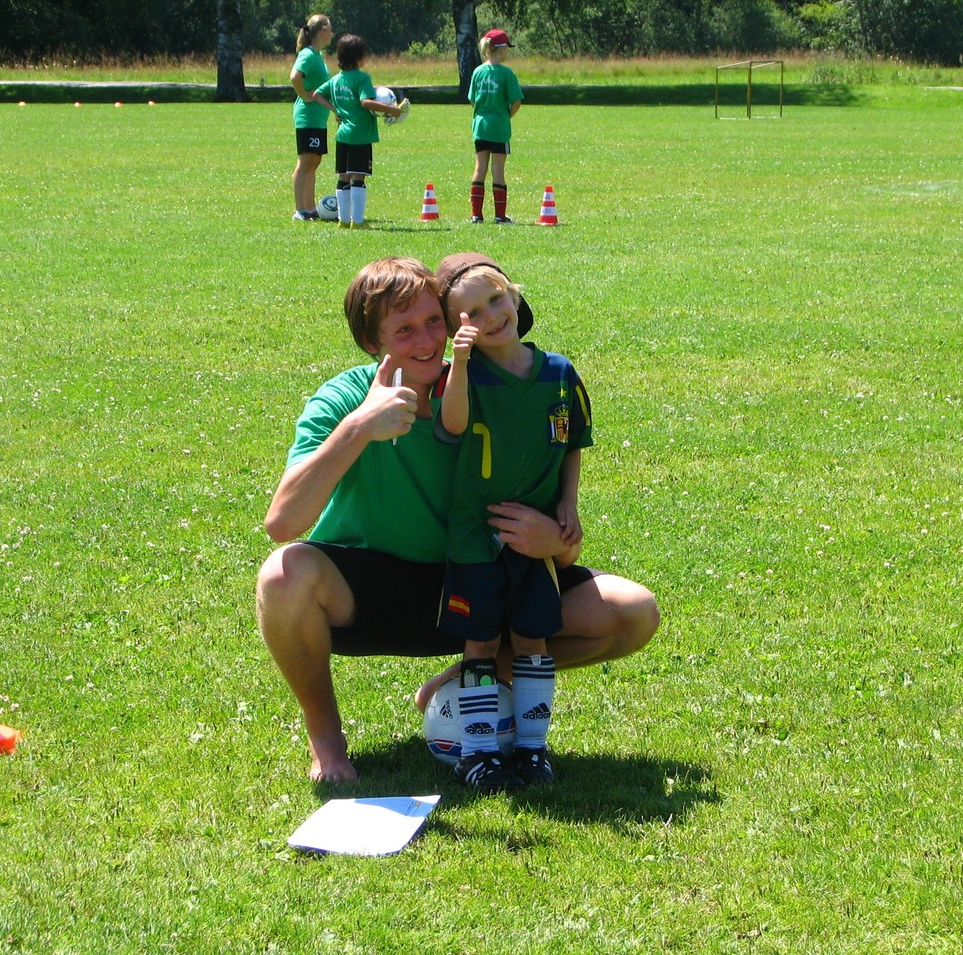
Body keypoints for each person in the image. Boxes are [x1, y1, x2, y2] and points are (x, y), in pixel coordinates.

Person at [256, 256, 660, 783]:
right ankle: (328, 744)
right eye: (403, 330)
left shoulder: (482, 392)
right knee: (283, 576)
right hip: (373, 592)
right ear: (371, 344)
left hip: (478, 582)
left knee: (633, 612)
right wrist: (359, 428)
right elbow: (283, 522)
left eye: (433, 322)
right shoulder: (343, 398)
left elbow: (559, 537)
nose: (426, 341)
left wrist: (553, 542)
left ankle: (467, 680)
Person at [433, 253, 590, 790]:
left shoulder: (559, 374)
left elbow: (572, 443)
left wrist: (568, 502)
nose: (490, 315)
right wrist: (457, 364)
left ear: (516, 295)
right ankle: (478, 752)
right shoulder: (469, 377)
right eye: (471, 312)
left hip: (533, 537)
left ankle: (532, 748)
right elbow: (452, 425)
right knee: (478, 643)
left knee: (532, 639)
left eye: (495, 298)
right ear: (459, 328)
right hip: (476, 536)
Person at [310, 35, 402, 227]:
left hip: (342, 134)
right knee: (358, 177)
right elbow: (366, 102)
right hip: (360, 135)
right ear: (359, 57)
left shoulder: (336, 80)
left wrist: (334, 110)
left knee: (343, 176)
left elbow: (317, 94)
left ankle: (343, 221)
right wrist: (393, 109)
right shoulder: (362, 78)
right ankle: (358, 221)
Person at [467, 29, 523, 224]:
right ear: (501, 49)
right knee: (498, 170)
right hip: (499, 126)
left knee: (479, 168)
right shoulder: (507, 74)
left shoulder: (477, 71)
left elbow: (472, 100)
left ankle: (476, 215)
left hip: (480, 126)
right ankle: (499, 216)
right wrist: (506, 116)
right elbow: (516, 102)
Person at [290, 14, 334, 222]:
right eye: (330, 29)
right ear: (322, 31)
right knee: (306, 161)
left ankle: (310, 208)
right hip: (307, 117)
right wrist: (303, 95)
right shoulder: (307, 54)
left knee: (314, 161)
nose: (333, 33)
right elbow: (295, 76)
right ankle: (300, 210)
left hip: (318, 117)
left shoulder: (318, 55)